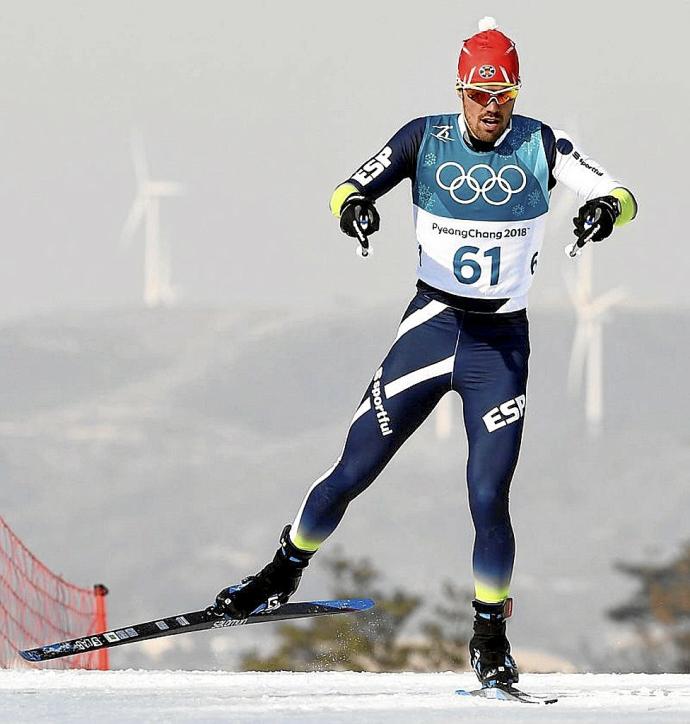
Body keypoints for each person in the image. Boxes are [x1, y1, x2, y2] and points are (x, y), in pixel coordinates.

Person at [209, 17, 637, 686]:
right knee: (352, 470)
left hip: (499, 345)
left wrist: (604, 212)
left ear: (517, 96)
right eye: (478, 95)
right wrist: (356, 210)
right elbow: (344, 189)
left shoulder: (540, 144)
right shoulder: (424, 138)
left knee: (488, 494)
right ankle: (280, 572)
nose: (491, 110)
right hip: (431, 329)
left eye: (503, 97)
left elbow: (621, 192)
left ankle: (490, 635)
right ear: (459, 91)